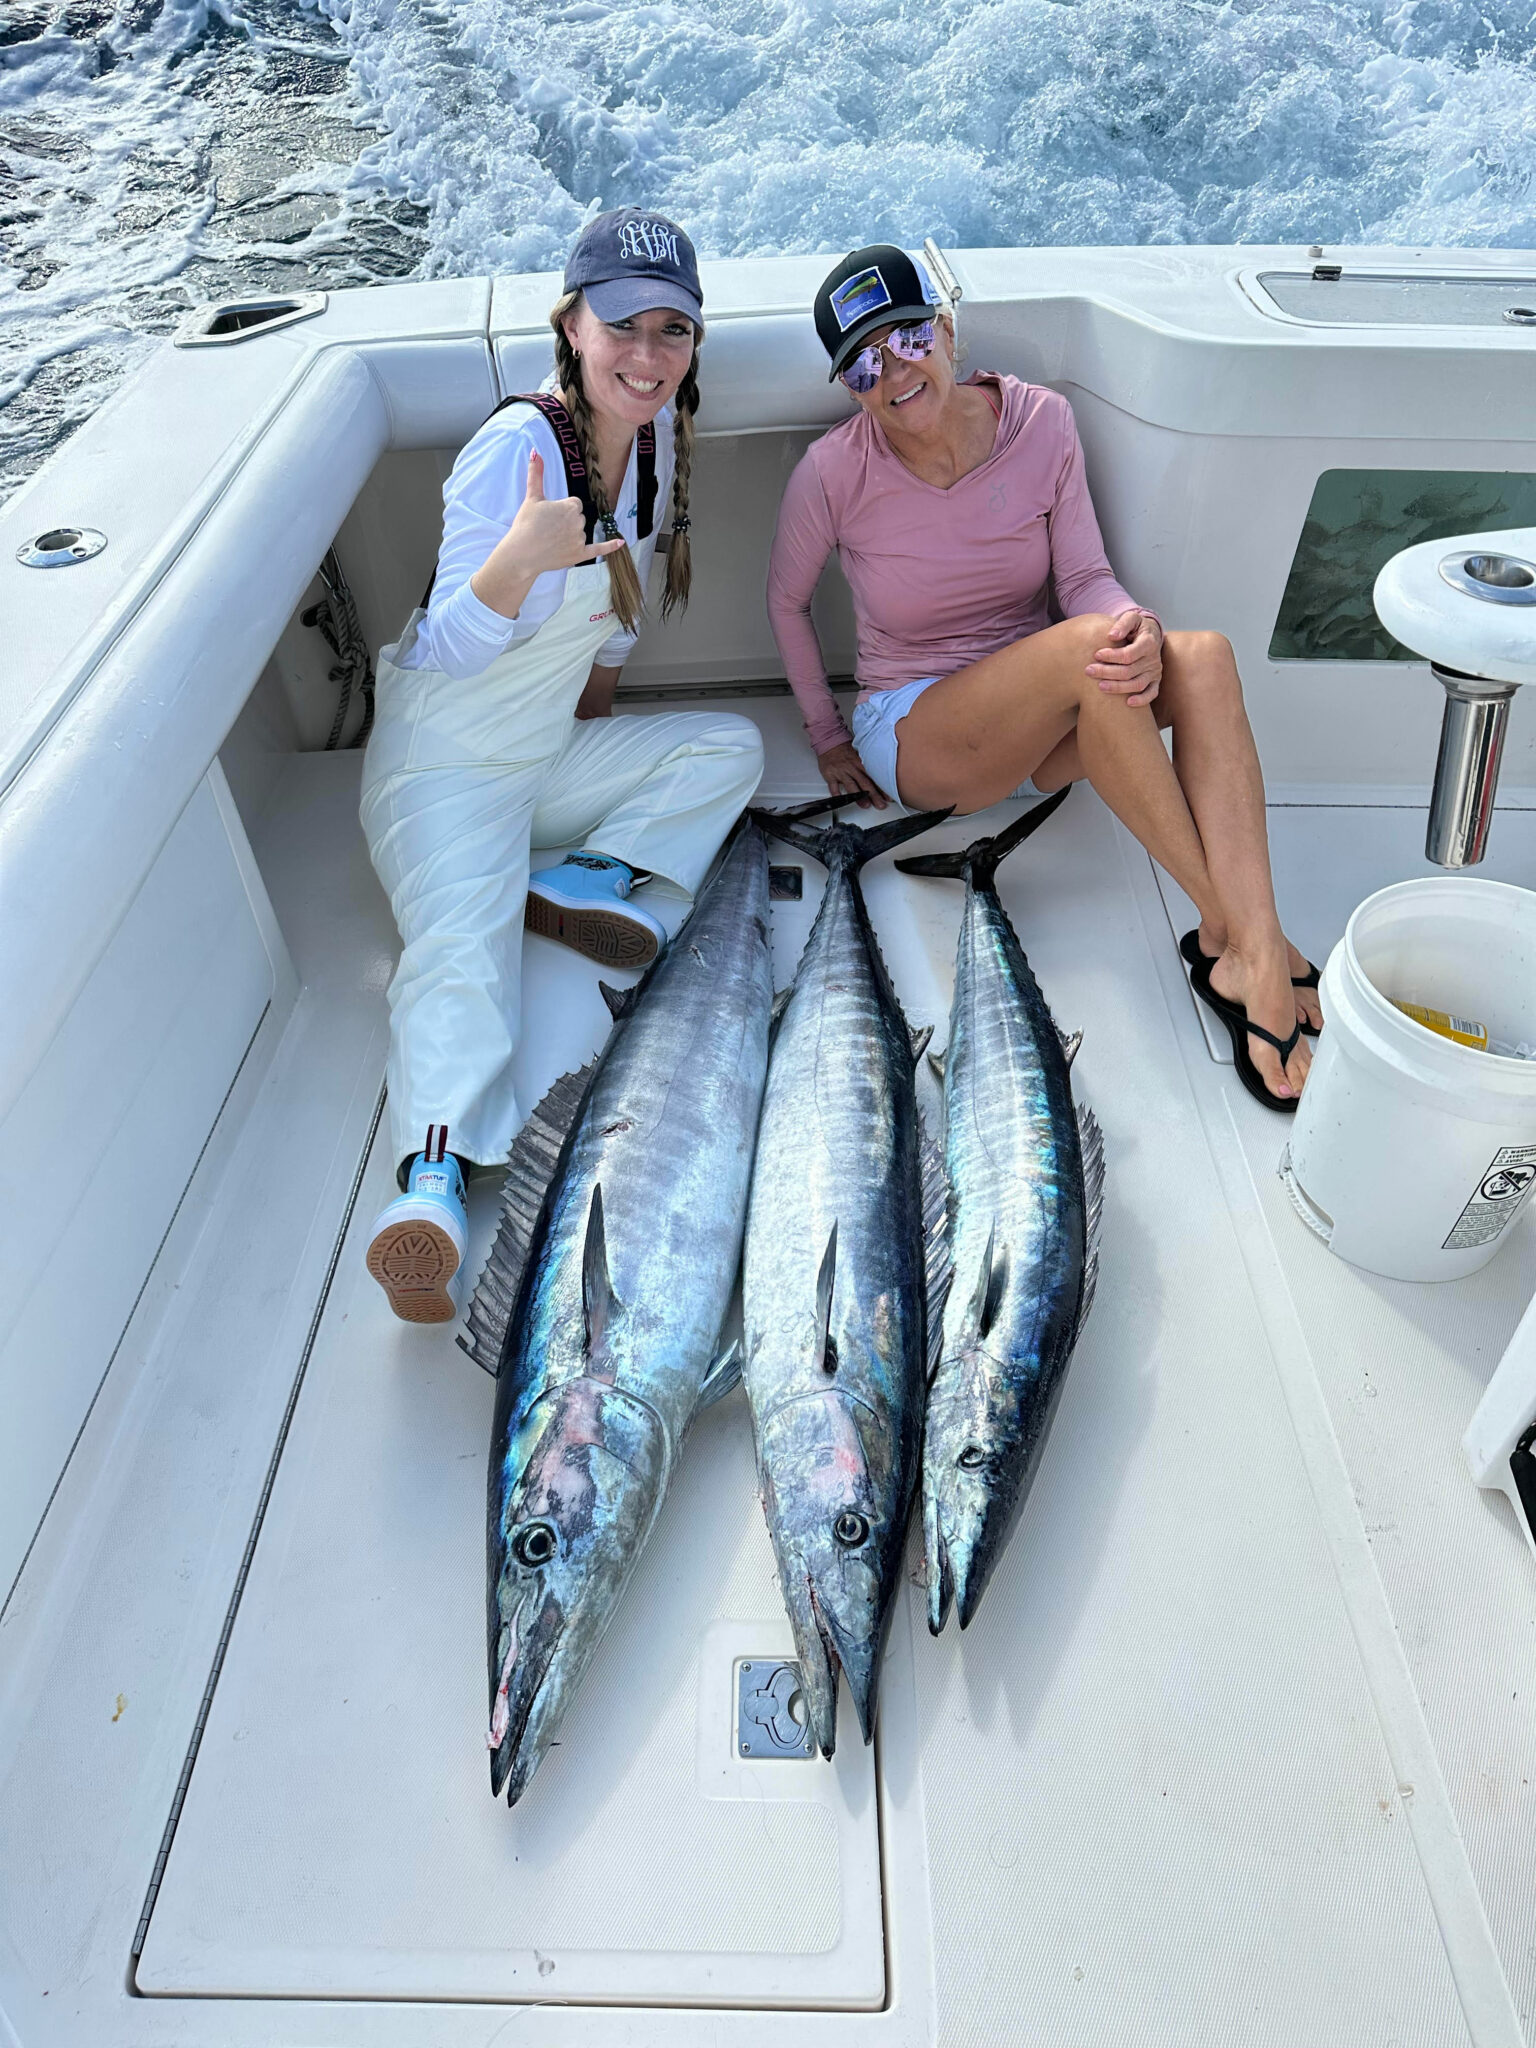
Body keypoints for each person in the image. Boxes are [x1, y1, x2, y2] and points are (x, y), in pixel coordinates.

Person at [767, 243, 1320, 1116]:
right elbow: (786, 602)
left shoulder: (1042, 423)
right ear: (850, 387)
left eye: (906, 336)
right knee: (1085, 651)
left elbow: (1088, 580)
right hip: (920, 733)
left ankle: (1237, 943)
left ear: (945, 329)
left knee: (1203, 658)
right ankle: (1250, 942)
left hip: (1048, 718)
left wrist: (1131, 626)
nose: (893, 372)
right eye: (864, 364)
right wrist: (828, 738)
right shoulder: (833, 472)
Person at [361, 208, 764, 1325]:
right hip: (442, 771)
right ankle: (431, 1186)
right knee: (462, 953)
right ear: (572, 323)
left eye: (673, 329)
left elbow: (608, 640)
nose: (647, 353)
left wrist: (603, 755)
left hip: (539, 759)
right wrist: (513, 562)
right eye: (622, 324)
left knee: (727, 746)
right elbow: (445, 645)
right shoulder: (516, 447)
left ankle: (585, 874)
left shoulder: (660, 437)